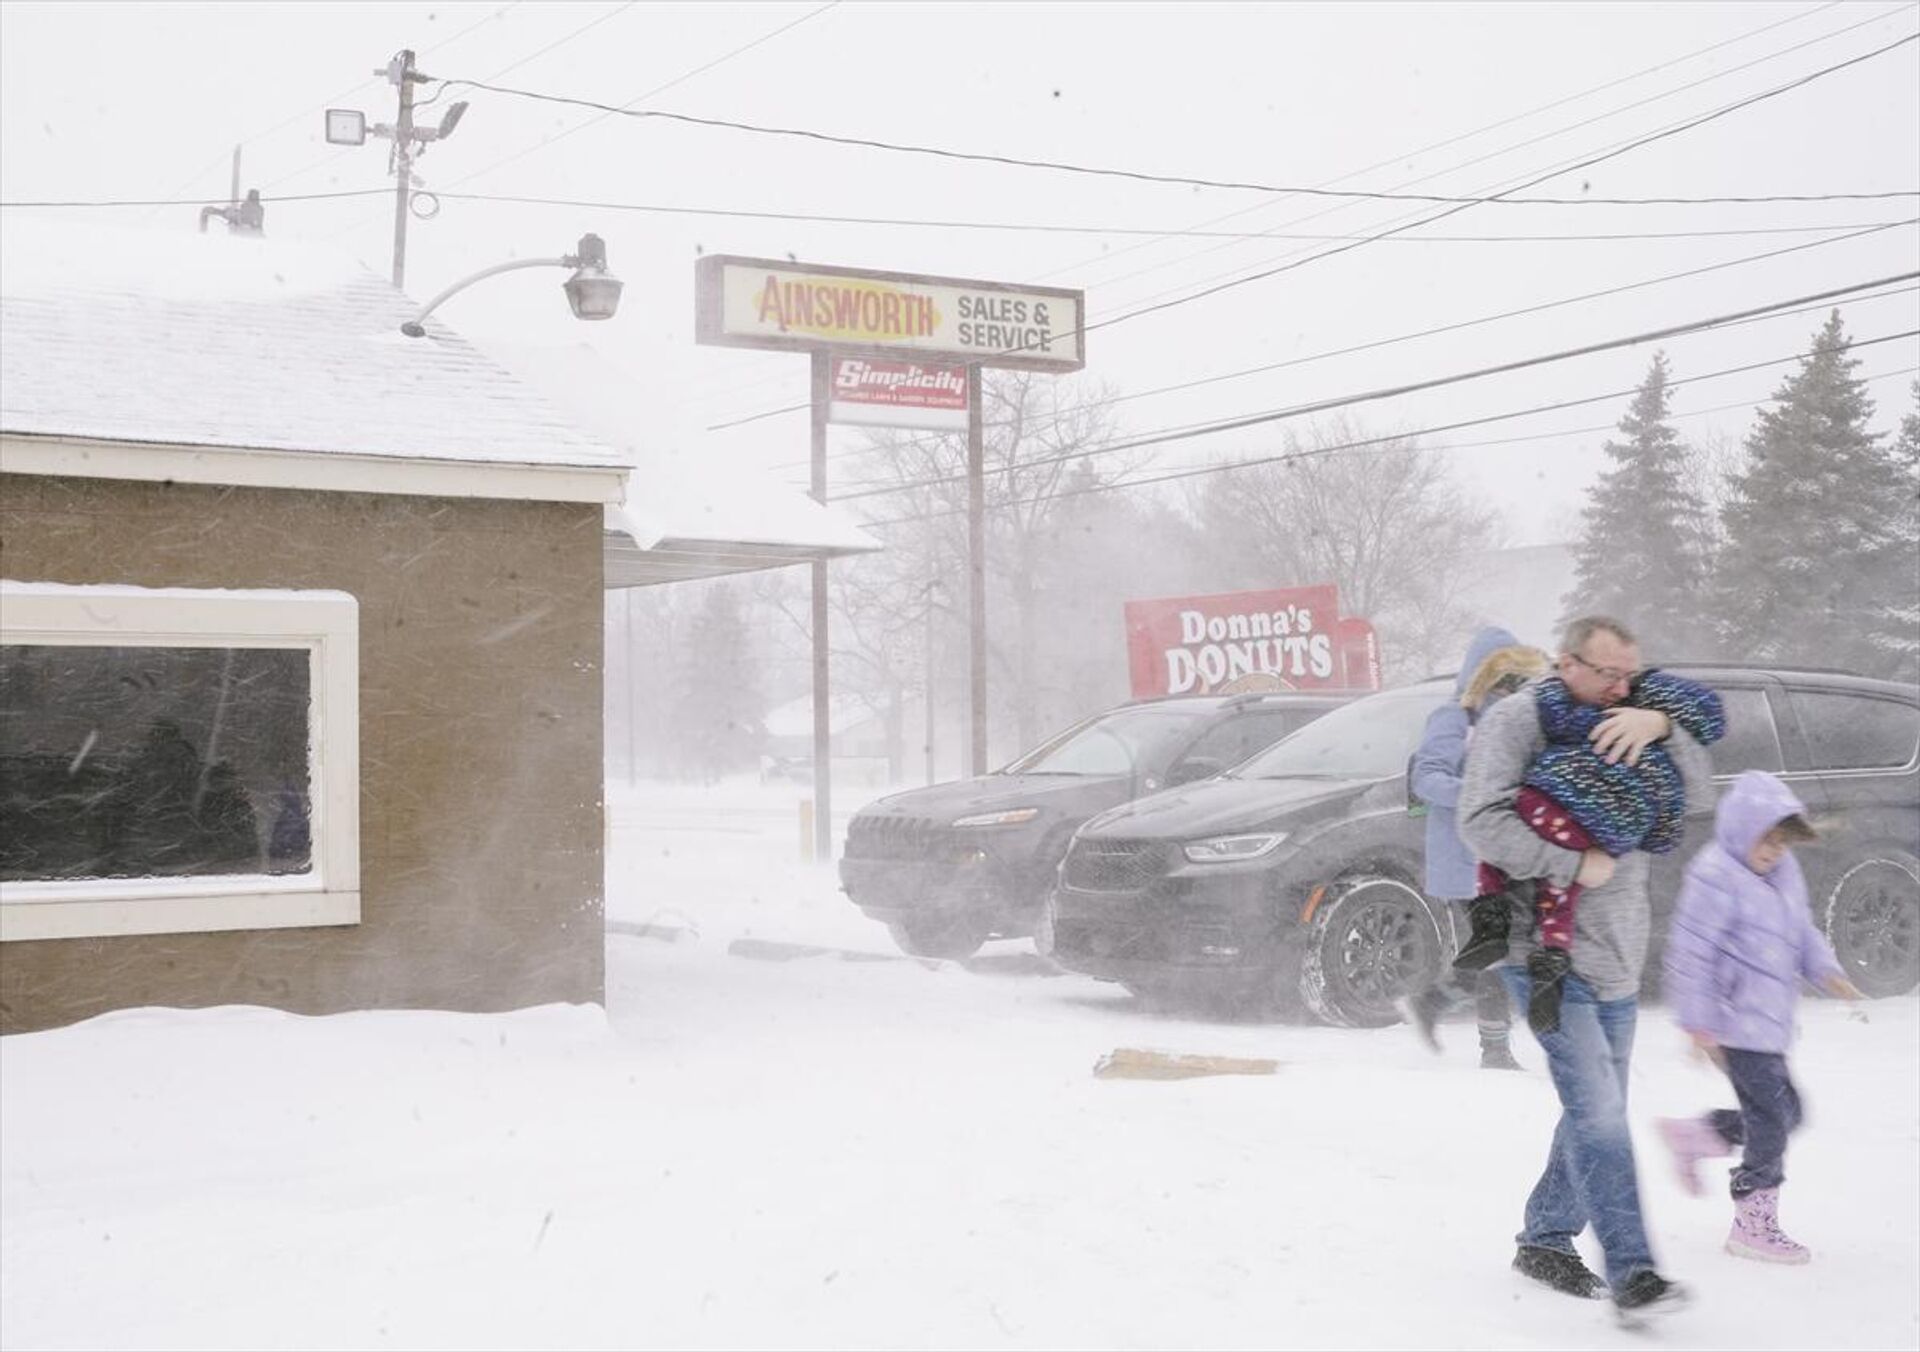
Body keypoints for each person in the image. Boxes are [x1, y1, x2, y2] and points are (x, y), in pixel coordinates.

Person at [1457, 615, 1712, 1323]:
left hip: (1618, 953)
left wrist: (1661, 728)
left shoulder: (1638, 711)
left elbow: (1697, 799)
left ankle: (1544, 1237)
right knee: (1599, 1116)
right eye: (1607, 673)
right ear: (1566, 663)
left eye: (1630, 672)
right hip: (1541, 953)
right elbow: (1478, 820)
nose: (1621, 686)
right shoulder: (1518, 720)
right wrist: (1572, 862)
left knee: (1593, 1112)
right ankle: (1634, 1276)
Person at [1653, 771, 1863, 1265]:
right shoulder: (1714, 877)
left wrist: (1826, 971)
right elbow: (1691, 955)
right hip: (1732, 1023)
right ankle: (1753, 1221)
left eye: (1781, 842)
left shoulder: (1782, 873)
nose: (1772, 851)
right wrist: (1698, 1026)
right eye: (1764, 841)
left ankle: (1700, 1135)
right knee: (1771, 1120)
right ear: (1739, 831)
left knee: (1790, 1113)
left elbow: (1801, 930)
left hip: (1768, 1022)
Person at [1450, 666, 1725, 1035]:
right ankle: (1548, 958)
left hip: (1558, 816)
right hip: (1595, 844)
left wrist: (1661, 726)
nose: (1619, 687)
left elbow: (1699, 789)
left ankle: (1491, 922)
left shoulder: (1610, 713)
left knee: (1514, 855)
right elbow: (1679, 813)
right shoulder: (1649, 732)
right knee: (1560, 894)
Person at [1399, 626, 1546, 1070]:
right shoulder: (1453, 719)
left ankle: (1434, 1002)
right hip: (1466, 857)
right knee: (1500, 946)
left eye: (1512, 676)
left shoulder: (1513, 718)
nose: (1508, 685)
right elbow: (1427, 780)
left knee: (1506, 946)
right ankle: (1494, 1047)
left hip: (1503, 853)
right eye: (1499, 676)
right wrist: (1483, 794)